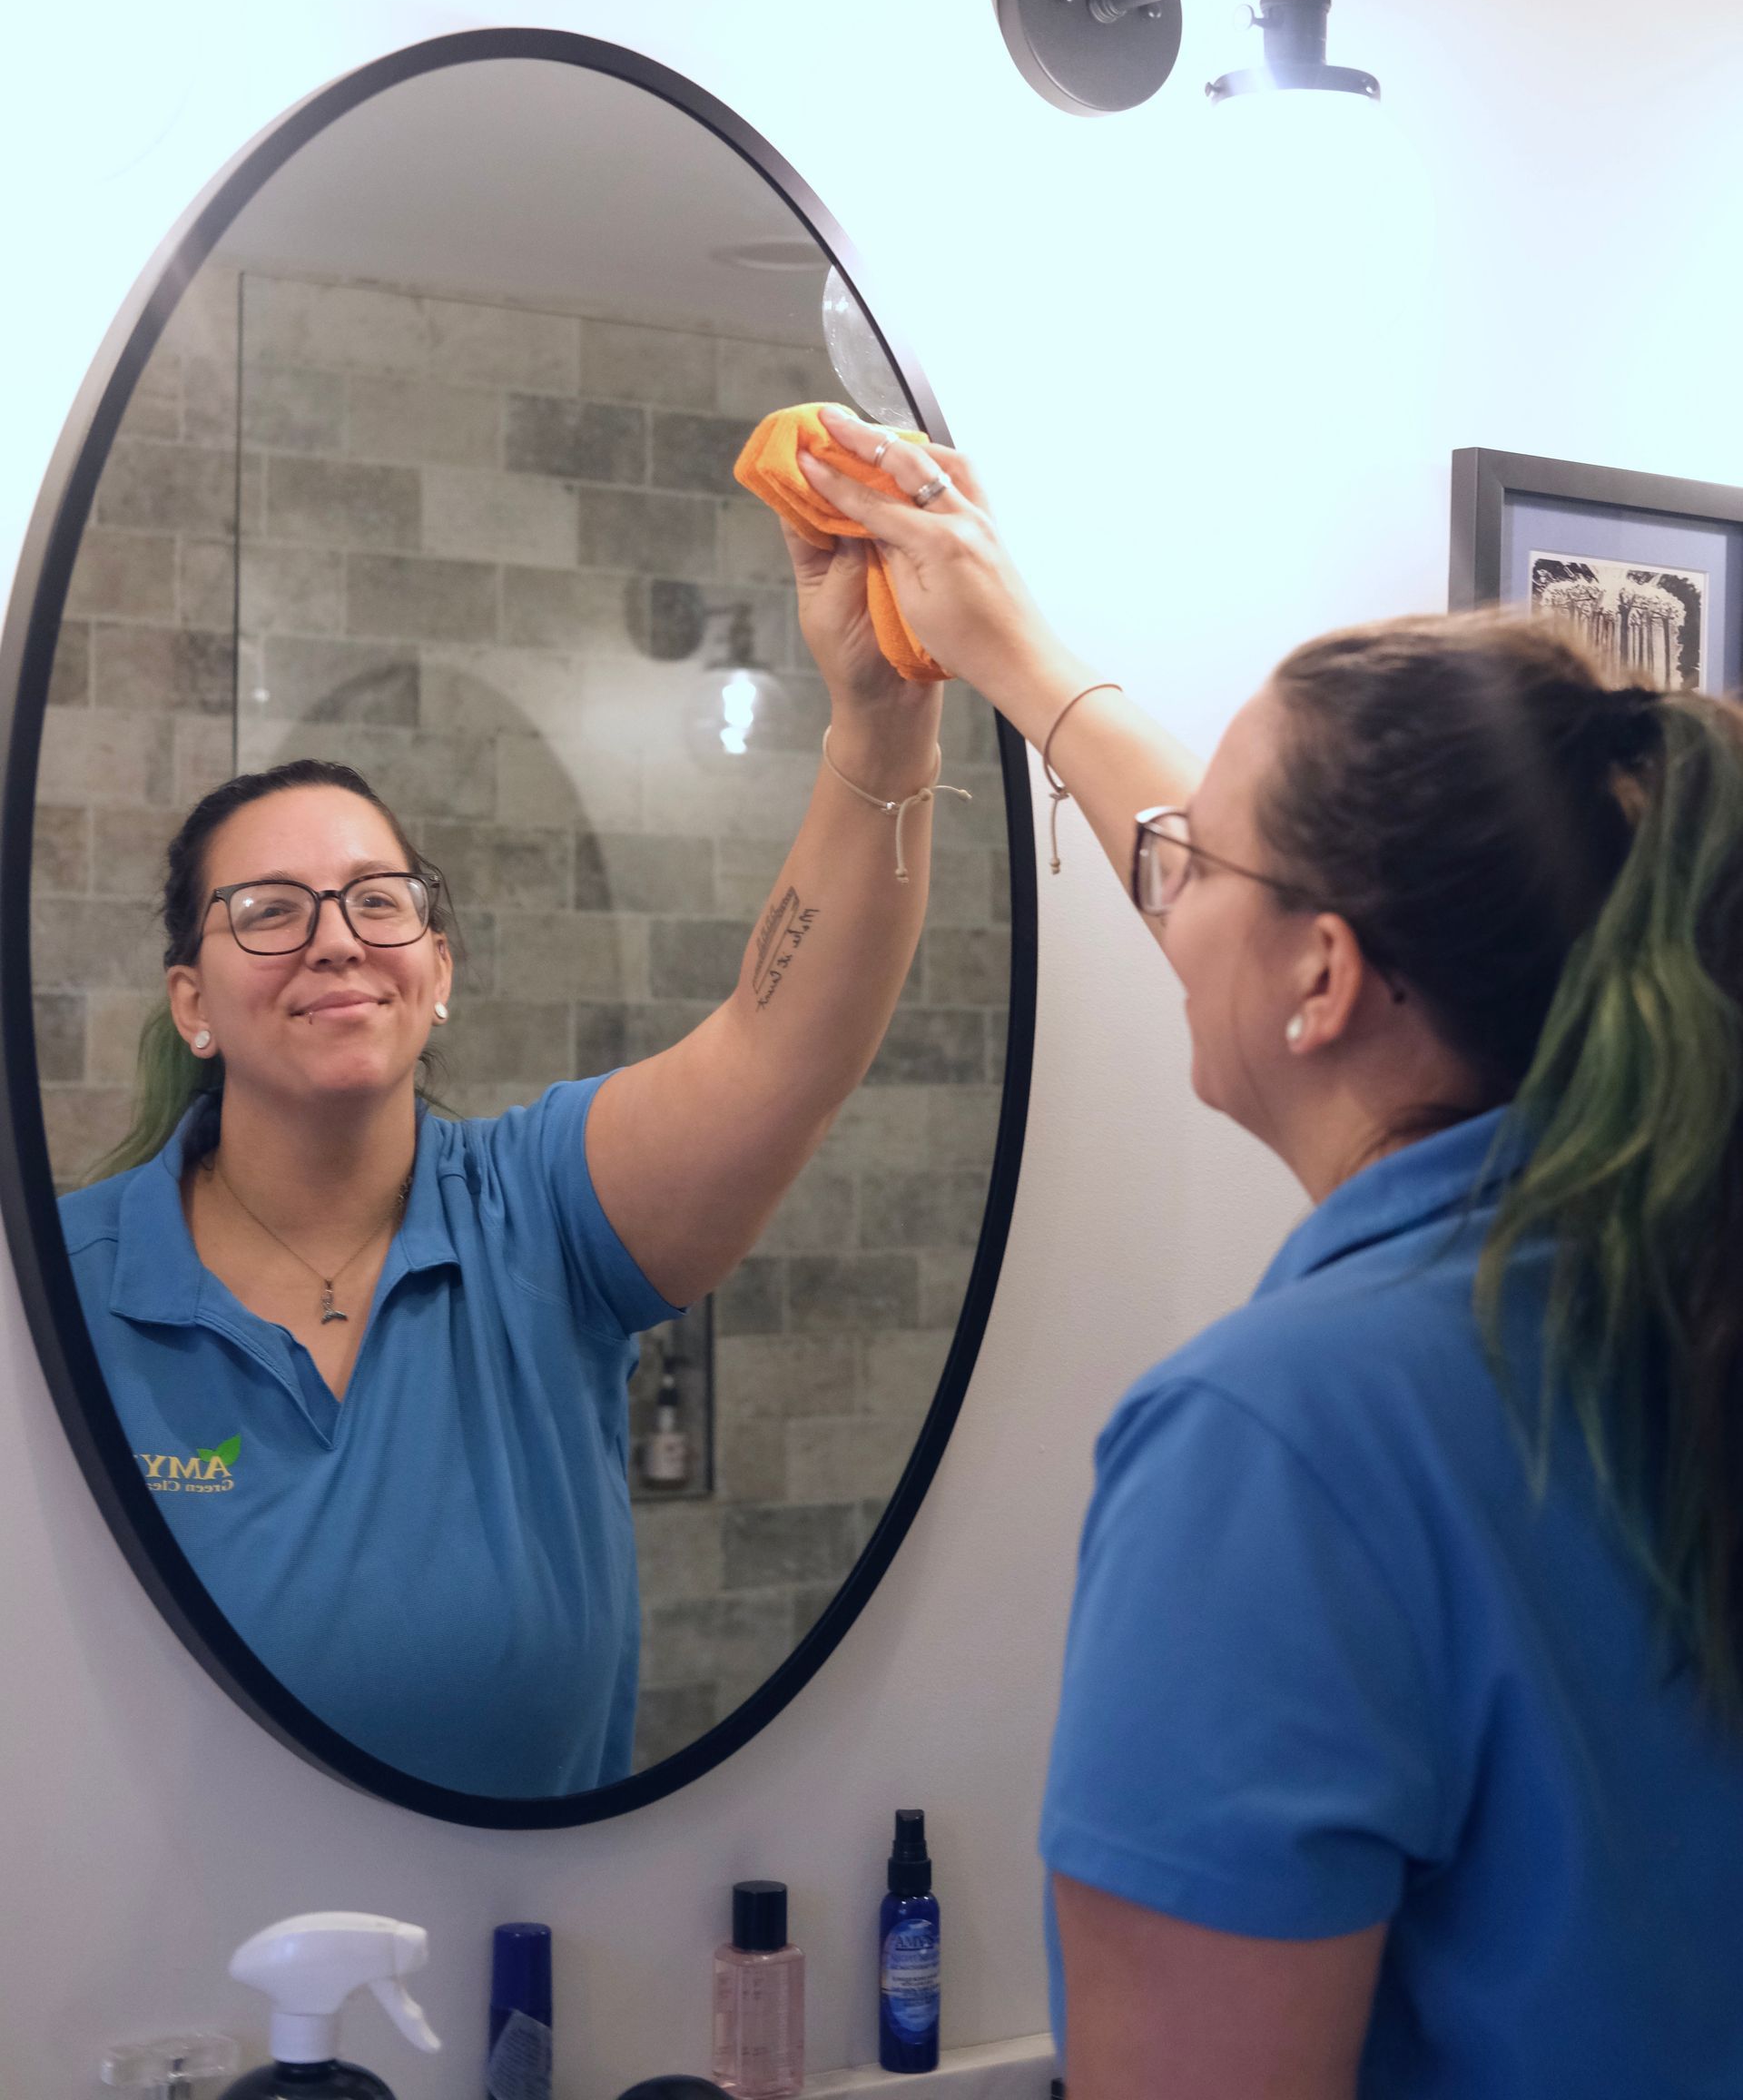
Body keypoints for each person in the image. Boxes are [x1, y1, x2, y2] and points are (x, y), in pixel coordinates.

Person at [803, 405, 1743, 2099]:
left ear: (1323, 977)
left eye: (1192, 864)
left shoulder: (1284, 1441)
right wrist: (1005, 647)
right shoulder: (1677, 1285)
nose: (1166, 888)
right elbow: (1267, 891)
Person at [61, 512, 952, 1796]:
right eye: (266, 912)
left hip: (528, 1969)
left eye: (380, 900)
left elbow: (782, 1048)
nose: (336, 940)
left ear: (439, 972)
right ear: (191, 1005)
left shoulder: (544, 1216)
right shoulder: (61, 1285)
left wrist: (882, 711)